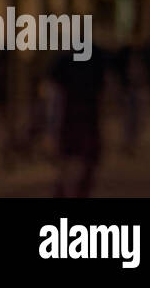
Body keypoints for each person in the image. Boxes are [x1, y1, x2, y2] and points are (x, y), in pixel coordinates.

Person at [48, 46, 107, 198]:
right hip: (81, 115)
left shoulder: (67, 58)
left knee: (75, 158)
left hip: (77, 115)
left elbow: (55, 95)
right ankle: (71, 188)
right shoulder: (92, 57)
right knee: (81, 158)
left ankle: (68, 188)